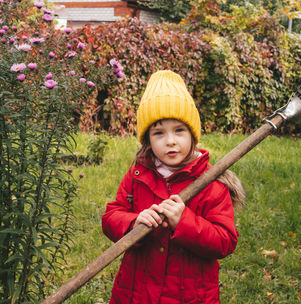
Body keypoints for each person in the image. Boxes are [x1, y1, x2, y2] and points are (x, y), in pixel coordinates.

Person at [102, 70, 245, 304]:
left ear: (192, 135)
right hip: (136, 293)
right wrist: (132, 223)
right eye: (159, 133)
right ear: (148, 139)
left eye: (179, 130)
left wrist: (184, 222)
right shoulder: (138, 175)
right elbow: (111, 216)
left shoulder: (212, 184)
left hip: (189, 296)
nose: (170, 140)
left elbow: (225, 241)